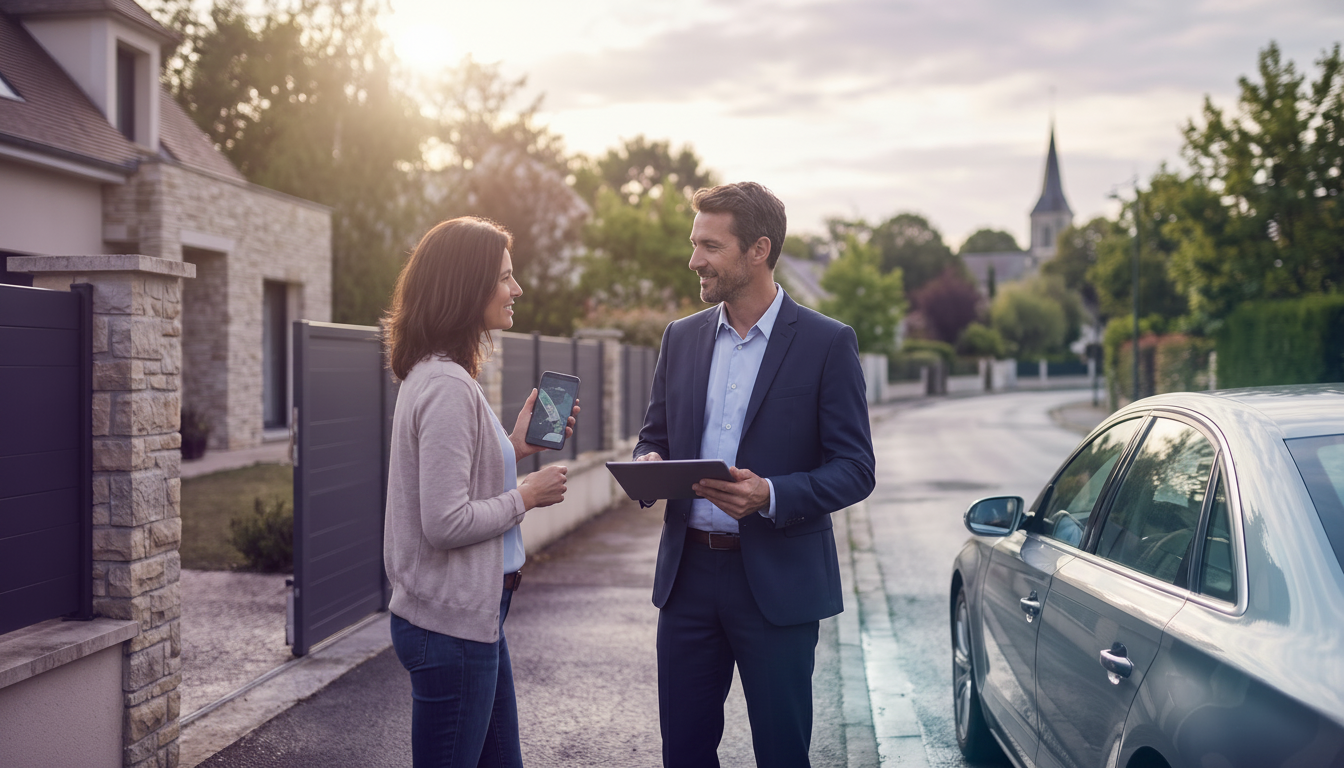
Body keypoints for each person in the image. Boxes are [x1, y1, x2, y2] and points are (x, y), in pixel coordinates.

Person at [634, 182, 876, 768]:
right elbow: (655, 435)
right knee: (684, 753)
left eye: (710, 246)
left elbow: (856, 469)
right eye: (695, 244)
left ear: (758, 250)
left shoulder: (827, 342)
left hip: (778, 584)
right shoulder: (681, 336)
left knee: (782, 753)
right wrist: (649, 464)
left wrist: (771, 494)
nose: (694, 260)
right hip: (687, 579)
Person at [382, 216, 578, 768]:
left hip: (471, 616)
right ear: (467, 287)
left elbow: (454, 474)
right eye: (505, 278)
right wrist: (526, 495)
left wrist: (513, 446)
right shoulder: (446, 386)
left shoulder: (442, 375)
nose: (516, 289)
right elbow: (443, 522)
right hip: (452, 626)